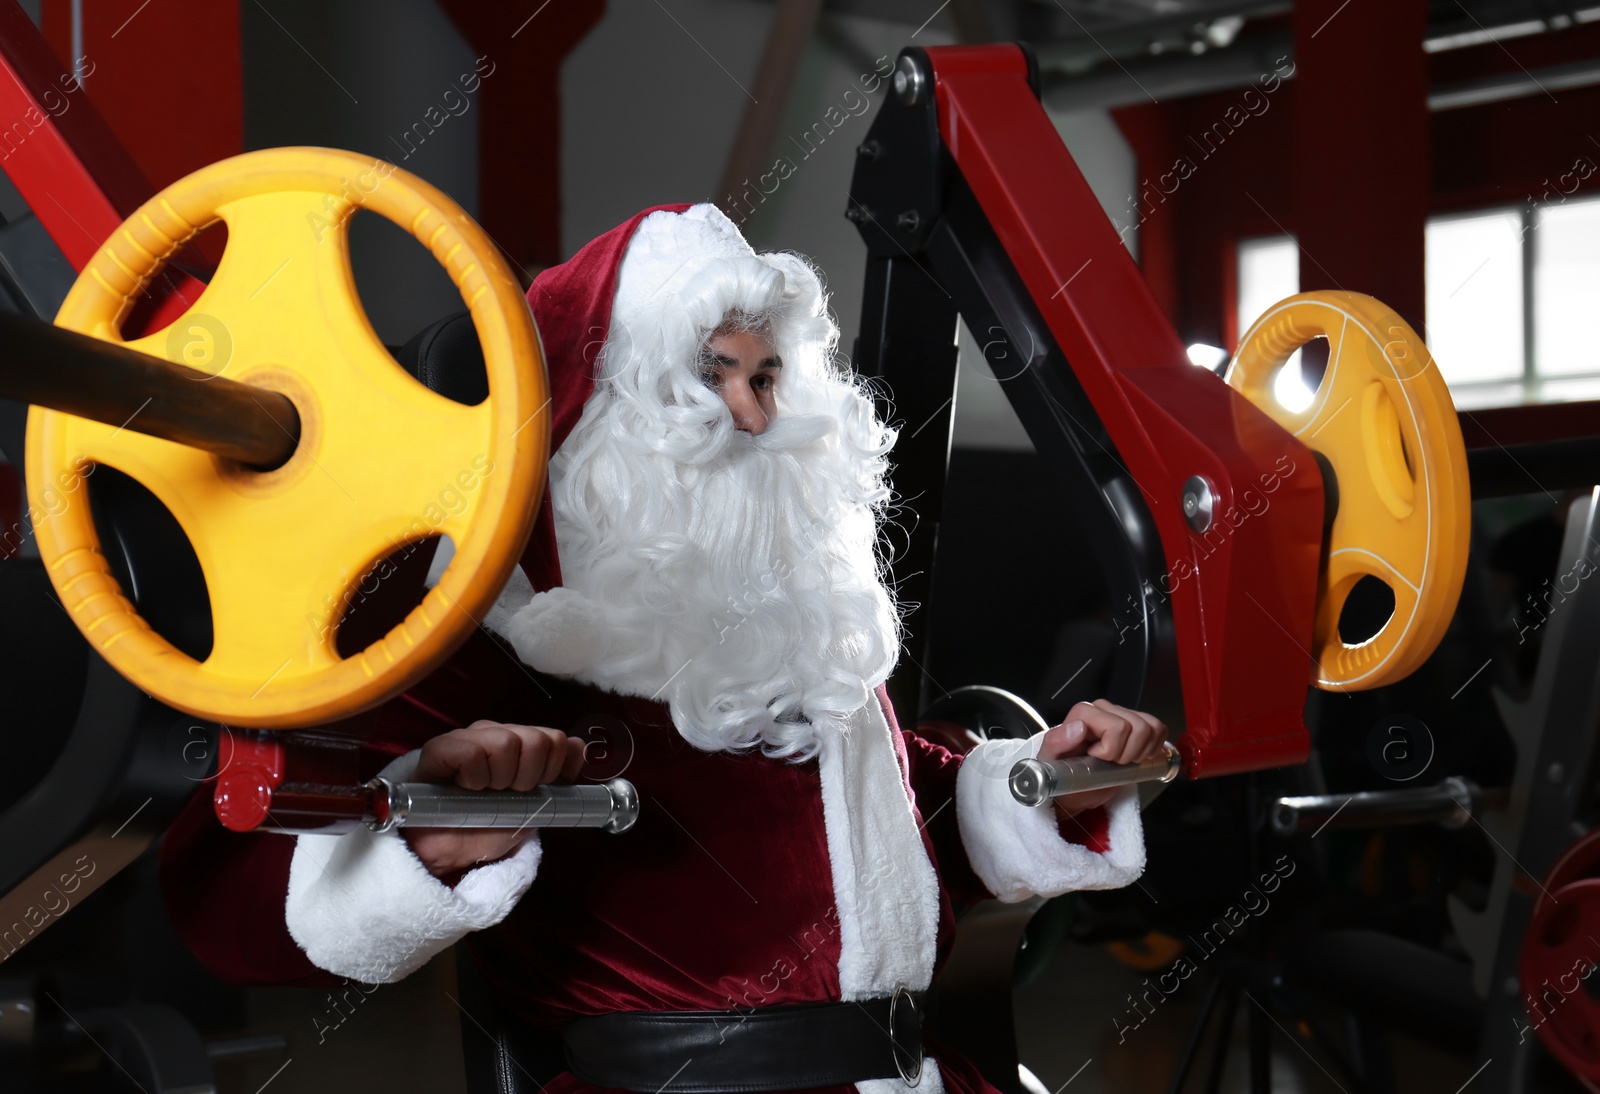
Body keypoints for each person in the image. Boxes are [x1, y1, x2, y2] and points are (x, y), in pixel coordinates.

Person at [160, 203, 1166, 1094]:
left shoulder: (814, 642)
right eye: (705, 378)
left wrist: (1045, 780)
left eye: (766, 375)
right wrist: (426, 838)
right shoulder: (506, 660)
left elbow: (908, 834)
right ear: (596, 422)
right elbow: (228, 898)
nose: (749, 414)